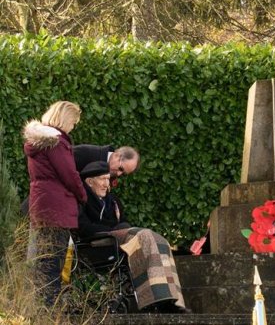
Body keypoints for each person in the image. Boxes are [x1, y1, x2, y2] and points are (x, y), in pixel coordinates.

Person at [77, 161, 189, 314]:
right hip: (96, 244)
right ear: (89, 182)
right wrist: (113, 230)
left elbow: (124, 221)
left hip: (117, 240)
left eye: (108, 179)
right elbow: (84, 228)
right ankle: (155, 299)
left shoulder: (113, 201)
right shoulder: (81, 199)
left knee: (160, 241)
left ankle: (171, 299)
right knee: (145, 236)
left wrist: (121, 228)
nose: (106, 184)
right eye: (102, 179)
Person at [23, 101, 87, 306]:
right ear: (66, 118)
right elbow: (70, 174)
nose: (73, 127)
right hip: (57, 208)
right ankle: (48, 308)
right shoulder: (57, 142)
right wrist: (83, 196)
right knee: (54, 259)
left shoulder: (40, 141)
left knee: (44, 258)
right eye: (73, 123)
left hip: (42, 204)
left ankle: (41, 305)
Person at [73, 144, 140, 181]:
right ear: (117, 155)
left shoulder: (110, 175)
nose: (119, 174)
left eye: (124, 174)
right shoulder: (86, 152)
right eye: (121, 169)